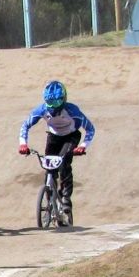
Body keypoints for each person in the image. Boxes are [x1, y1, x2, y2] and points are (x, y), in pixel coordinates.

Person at [18, 80, 95, 213]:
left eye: (57, 103)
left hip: (71, 137)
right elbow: (25, 126)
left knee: (64, 164)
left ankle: (66, 198)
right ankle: (49, 199)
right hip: (53, 137)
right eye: (50, 103)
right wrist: (23, 144)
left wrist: (82, 146)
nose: (53, 107)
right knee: (49, 166)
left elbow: (90, 129)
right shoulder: (41, 110)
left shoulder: (73, 111)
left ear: (64, 99)